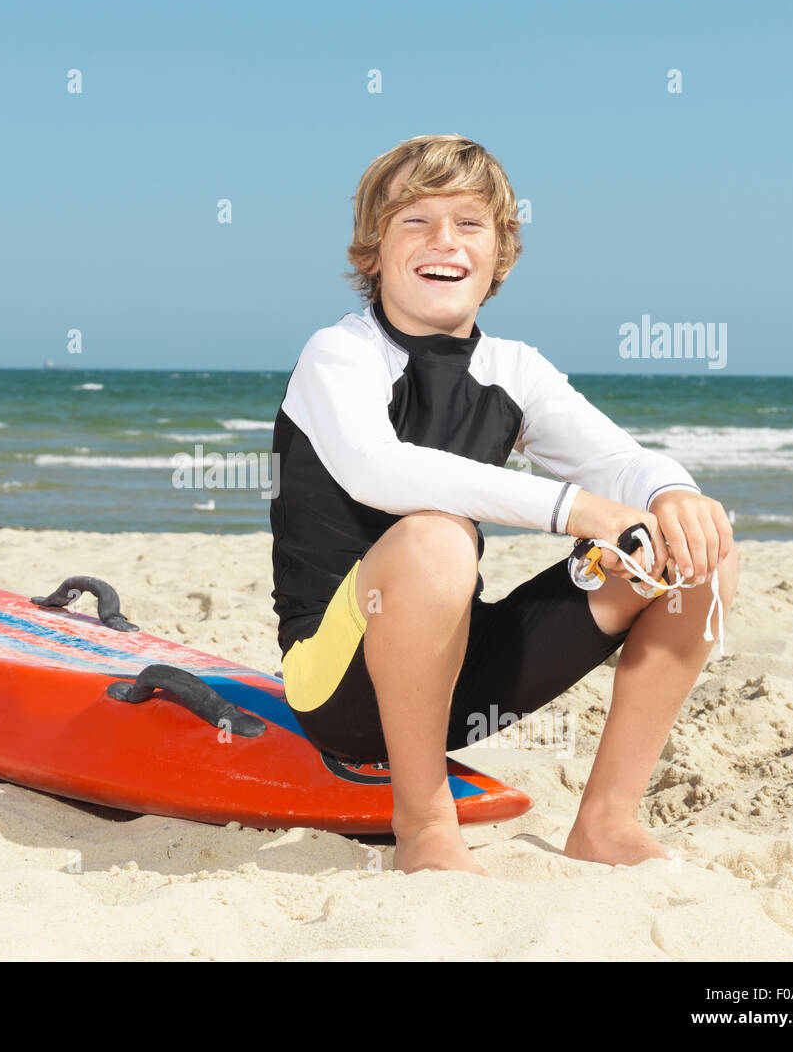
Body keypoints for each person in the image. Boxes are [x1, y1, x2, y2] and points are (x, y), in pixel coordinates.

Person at [269, 134, 738, 875]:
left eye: (469, 223)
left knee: (693, 549)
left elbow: (618, 460)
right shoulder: (341, 353)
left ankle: (607, 820)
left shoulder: (514, 369)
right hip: (340, 687)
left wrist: (670, 493)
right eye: (414, 221)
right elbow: (376, 468)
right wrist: (577, 509)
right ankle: (424, 825)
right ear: (372, 253)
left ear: (499, 255)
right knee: (436, 537)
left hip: (458, 677)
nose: (443, 241)